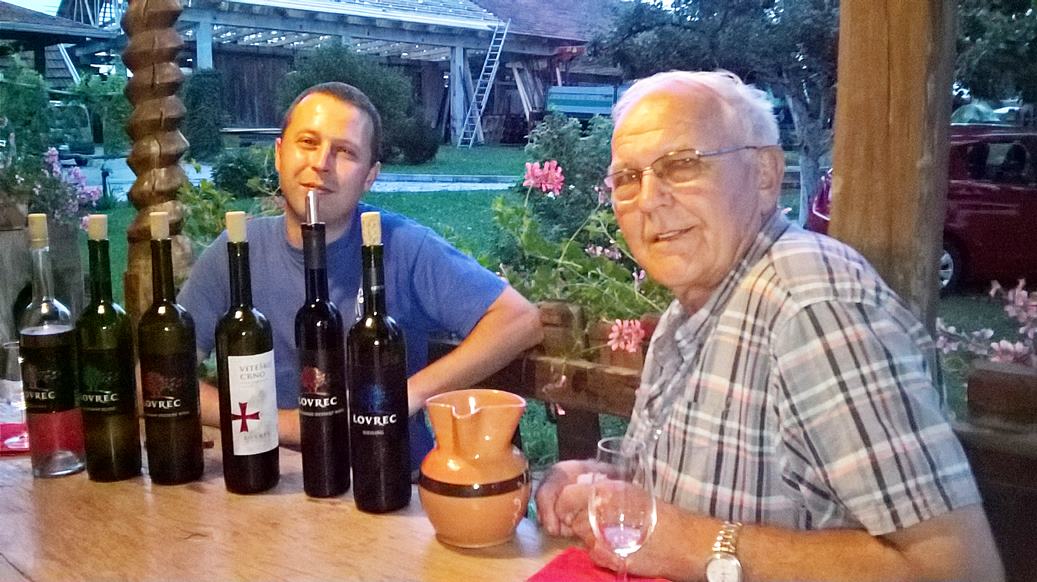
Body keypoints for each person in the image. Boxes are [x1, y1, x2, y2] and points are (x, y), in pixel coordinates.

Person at [535, 71, 1004, 582]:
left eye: (682, 165)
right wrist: (606, 486)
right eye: (628, 177)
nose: (648, 199)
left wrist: (694, 544)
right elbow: (722, 499)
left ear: (764, 174)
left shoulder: (813, 307)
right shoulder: (693, 308)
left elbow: (959, 569)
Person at [178, 82, 543, 470]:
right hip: (265, 478)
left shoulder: (402, 246)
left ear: (370, 175)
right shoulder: (236, 253)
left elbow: (520, 319)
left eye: (345, 152)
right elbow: (158, 376)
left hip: (387, 481)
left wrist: (407, 394)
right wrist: (283, 425)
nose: (321, 163)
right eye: (308, 142)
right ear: (280, 154)